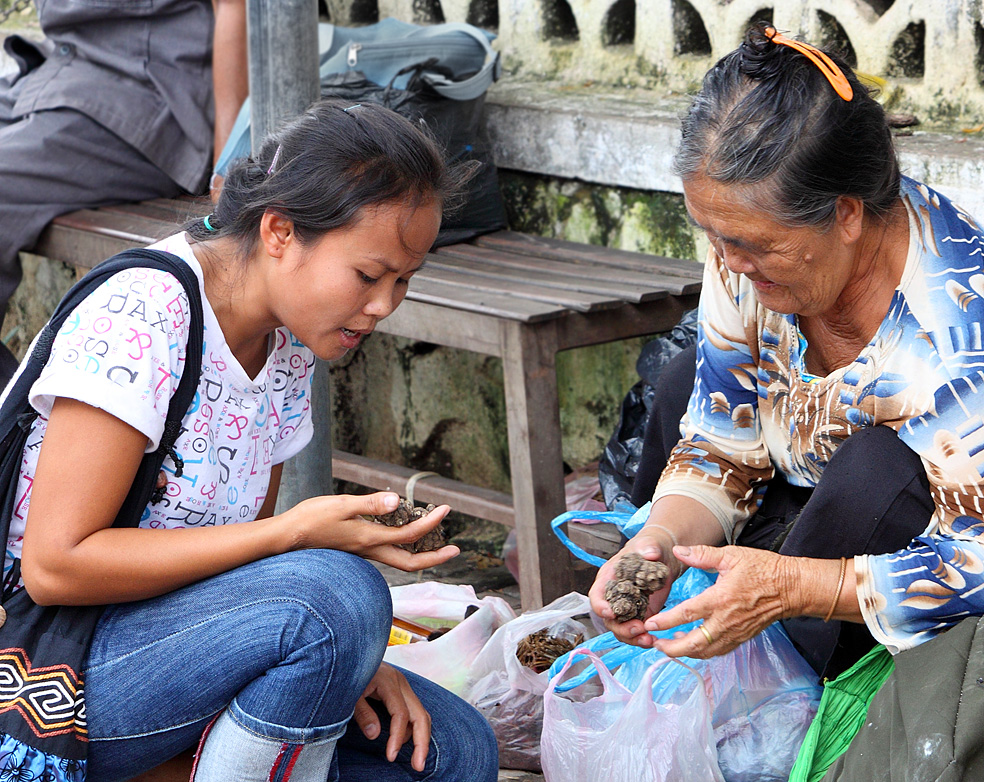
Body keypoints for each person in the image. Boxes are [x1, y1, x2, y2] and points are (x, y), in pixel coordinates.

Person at [5, 99, 497, 781]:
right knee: (338, 594)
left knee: (452, 752)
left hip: (166, 648)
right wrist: (295, 538)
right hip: (44, 660)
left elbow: (243, 575)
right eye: (368, 275)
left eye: (403, 281)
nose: (385, 305)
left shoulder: (289, 346)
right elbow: (54, 566)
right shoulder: (147, 312)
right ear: (279, 232)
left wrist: (348, 662)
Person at [590, 23, 984, 680]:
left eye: (752, 244)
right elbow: (719, 438)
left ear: (847, 214)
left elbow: (974, 562)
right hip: (797, 496)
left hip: (915, 570)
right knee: (683, 376)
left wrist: (790, 587)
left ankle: (797, 706)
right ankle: (700, 668)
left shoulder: (954, 327)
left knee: (876, 471)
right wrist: (660, 541)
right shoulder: (747, 248)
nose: (729, 264)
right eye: (713, 235)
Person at [0, 0, 250, 384]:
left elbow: (237, 5)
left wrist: (227, 168)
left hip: (145, 98)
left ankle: (20, 431)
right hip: (60, 70)